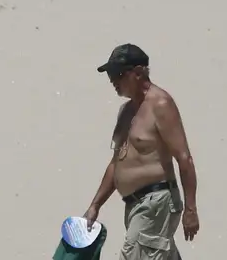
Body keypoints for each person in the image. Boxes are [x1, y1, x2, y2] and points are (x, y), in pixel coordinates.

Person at [82, 45, 198, 260]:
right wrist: (95, 205)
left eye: (118, 74)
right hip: (135, 206)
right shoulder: (126, 111)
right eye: (110, 75)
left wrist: (191, 209)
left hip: (155, 203)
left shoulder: (161, 104)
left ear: (138, 72)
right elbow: (117, 163)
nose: (112, 80)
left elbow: (184, 158)